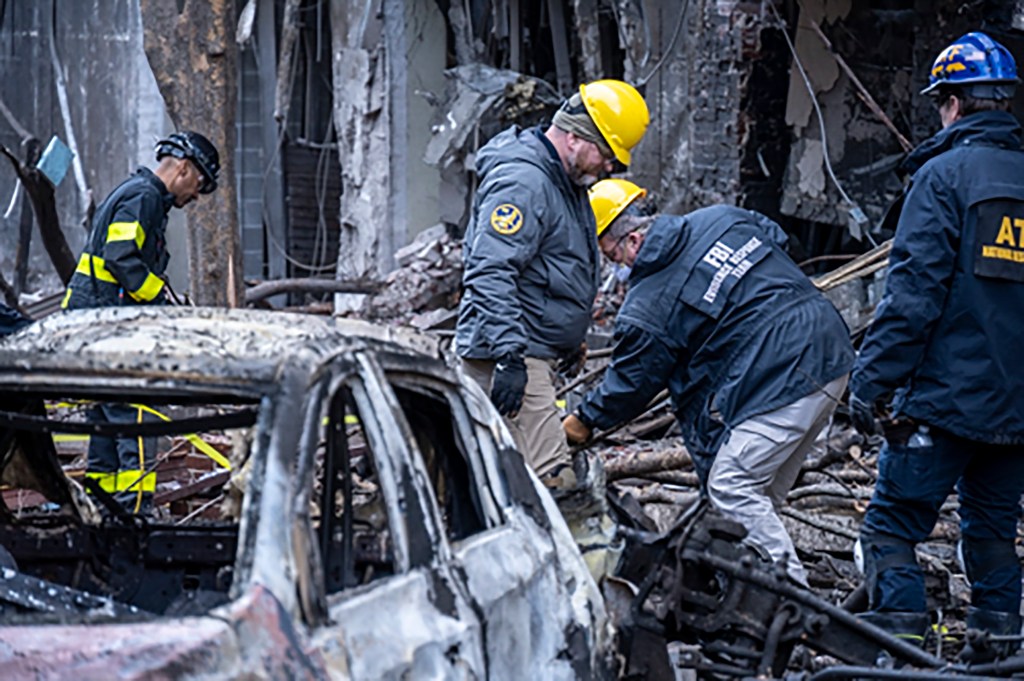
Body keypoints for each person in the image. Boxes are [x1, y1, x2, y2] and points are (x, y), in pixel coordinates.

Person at [562, 179, 854, 585]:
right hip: (832, 351)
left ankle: (793, 602)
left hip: (784, 379)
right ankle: (747, 596)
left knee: (732, 486)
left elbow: (630, 385)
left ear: (631, 239)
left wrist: (583, 420)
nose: (613, 263)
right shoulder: (721, 218)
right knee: (755, 499)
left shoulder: (648, 306)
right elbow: (775, 237)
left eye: (609, 252)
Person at [848, 32, 1024, 655]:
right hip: (1015, 410)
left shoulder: (942, 176)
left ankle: (902, 658)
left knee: (890, 529)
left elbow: (913, 297)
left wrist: (869, 383)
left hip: (945, 401)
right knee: (993, 533)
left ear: (950, 102)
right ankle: (998, 655)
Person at [456, 80, 649, 484]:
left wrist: (569, 337)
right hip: (509, 354)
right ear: (577, 137)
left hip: (527, 350)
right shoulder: (525, 183)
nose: (610, 168)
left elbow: (552, 265)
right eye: (608, 154)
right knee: (553, 483)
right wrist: (509, 356)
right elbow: (489, 270)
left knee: (505, 481)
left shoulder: (565, 182)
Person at [62, 131, 220, 514]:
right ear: (184, 169)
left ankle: (101, 509)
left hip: (93, 323)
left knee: (104, 420)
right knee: (136, 413)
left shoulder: (140, 194)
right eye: (200, 185)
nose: (196, 196)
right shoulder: (144, 196)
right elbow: (122, 258)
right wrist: (161, 300)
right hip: (107, 326)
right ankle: (134, 514)